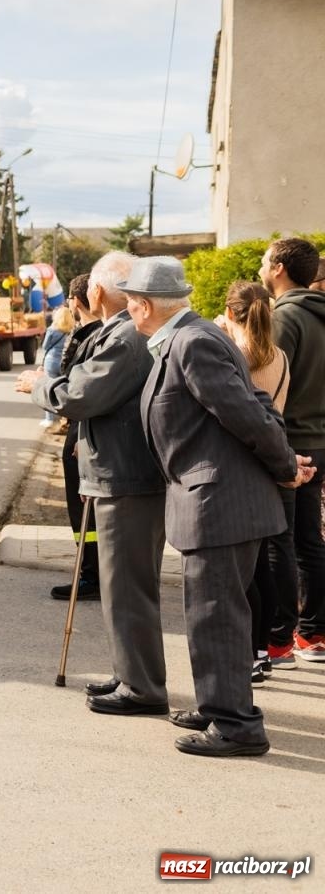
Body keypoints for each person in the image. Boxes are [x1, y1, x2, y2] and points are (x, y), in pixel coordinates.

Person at [123, 256, 312, 757]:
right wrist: (286, 460)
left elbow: (247, 413)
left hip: (221, 500)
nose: (128, 312)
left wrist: (285, 465)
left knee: (218, 615)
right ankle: (217, 706)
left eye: (130, 303)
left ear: (144, 306)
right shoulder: (189, 338)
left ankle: (236, 725)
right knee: (210, 613)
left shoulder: (195, 341)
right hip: (213, 498)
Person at [19, 252, 167, 715]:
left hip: (127, 475)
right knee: (121, 585)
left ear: (98, 291)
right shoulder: (120, 330)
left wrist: (39, 384)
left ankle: (142, 687)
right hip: (118, 472)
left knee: (128, 588)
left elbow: (79, 395)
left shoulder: (124, 336)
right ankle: (130, 675)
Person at [216, 280, 291, 683]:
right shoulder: (278, 355)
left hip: (239, 466)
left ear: (230, 314)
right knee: (265, 563)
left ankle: (248, 653)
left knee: (244, 571)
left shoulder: (236, 356)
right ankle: (262, 651)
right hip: (271, 463)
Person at [259, 237, 325, 664]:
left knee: (279, 541)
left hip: (291, 444)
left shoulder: (284, 317)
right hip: (320, 440)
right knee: (309, 539)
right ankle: (314, 634)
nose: (261, 268)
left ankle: (280, 639)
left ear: (279, 267)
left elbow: (272, 386)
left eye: (265, 261)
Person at [51, 274, 102, 601]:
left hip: (84, 435)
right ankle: (90, 570)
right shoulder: (92, 332)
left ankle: (90, 575)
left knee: (85, 512)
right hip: (82, 432)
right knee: (84, 512)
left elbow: (78, 389)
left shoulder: (92, 334)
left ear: (75, 300)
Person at [37, 306, 74, 428]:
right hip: (65, 362)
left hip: (51, 361)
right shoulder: (71, 329)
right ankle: (65, 418)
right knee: (62, 388)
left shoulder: (52, 329)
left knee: (48, 388)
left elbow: (45, 346)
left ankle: (49, 419)